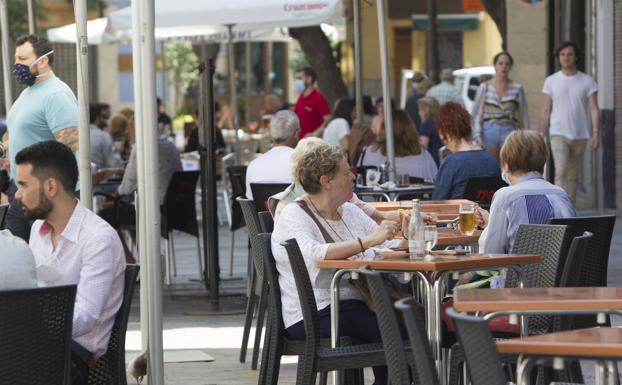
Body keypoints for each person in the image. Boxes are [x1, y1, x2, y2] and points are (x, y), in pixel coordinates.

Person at [271, 141, 405, 385]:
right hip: (314, 311)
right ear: (326, 181)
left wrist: (412, 245)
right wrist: (367, 242)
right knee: (397, 333)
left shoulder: (349, 211)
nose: (353, 176)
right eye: (346, 172)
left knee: (408, 322)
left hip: (353, 302)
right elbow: (315, 254)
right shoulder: (294, 215)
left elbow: (384, 246)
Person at [15, 141, 125, 385]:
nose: (17, 194)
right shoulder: (38, 230)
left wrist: (27, 325)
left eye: (23, 184)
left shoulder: (97, 239)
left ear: (51, 186)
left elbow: (85, 318)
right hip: (40, 351)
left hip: (75, 358)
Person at [3, 34, 78, 241]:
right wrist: (4, 150)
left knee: (47, 261)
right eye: (16, 59)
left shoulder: (56, 94)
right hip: (20, 191)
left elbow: (70, 143)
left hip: (47, 194)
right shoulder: (27, 94)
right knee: (21, 260)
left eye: (23, 59)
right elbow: (17, 131)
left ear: (43, 61)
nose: (17, 65)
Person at [477, 130, 575, 254]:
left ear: (506, 165)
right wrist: (491, 224)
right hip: (564, 273)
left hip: (520, 272)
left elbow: (489, 257)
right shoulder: (561, 194)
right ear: (543, 161)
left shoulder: (506, 197)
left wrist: (490, 226)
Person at [539, 41, 599, 203]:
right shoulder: (551, 81)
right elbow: (545, 110)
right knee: (561, 171)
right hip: (558, 133)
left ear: (576, 57)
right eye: (563, 55)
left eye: (570, 54)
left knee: (574, 176)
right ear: (558, 58)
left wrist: (596, 133)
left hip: (580, 134)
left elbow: (594, 108)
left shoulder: (587, 81)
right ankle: (559, 207)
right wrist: (541, 134)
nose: (566, 58)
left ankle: (570, 208)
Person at [432, 102, 500, 200]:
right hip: (487, 214)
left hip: (457, 214)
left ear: (444, 132)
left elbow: (437, 202)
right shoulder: (491, 160)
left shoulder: (451, 162)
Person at [472, 51, 529, 160]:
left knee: (508, 167)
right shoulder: (485, 87)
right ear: (495, 65)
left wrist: (524, 137)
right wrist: (477, 136)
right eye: (500, 63)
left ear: (511, 67)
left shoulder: (517, 88)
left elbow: (523, 115)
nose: (504, 67)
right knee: (491, 166)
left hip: (509, 130)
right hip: (489, 130)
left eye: (507, 64)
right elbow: (476, 114)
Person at [360, 109, 437, 181]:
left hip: (376, 195)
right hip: (417, 195)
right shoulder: (424, 156)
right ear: (410, 128)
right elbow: (435, 181)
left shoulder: (370, 152)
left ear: (384, 129)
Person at [245, 110, 299, 199]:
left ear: (270, 133)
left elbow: (250, 202)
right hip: (294, 212)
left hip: (262, 212)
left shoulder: (253, 165)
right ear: (296, 134)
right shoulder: (303, 163)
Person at [293, 67, 331, 138]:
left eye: (299, 78)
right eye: (296, 79)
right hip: (301, 143)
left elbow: (328, 119)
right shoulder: (301, 97)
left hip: (313, 144)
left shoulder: (318, 98)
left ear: (309, 79)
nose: (297, 82)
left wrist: (315, 133)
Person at [416, 96, 443, 166]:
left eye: (420, 110)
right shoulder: (441, 124)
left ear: (426, 111)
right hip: (441, 160)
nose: (418, 113)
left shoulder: (427, 125)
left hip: (431, 163)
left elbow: (422, 147)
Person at [89, 103, 116, 169]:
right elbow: (111, 164)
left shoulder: (72, 135)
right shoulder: (103, 136)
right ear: (98, 118)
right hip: (100, 177)